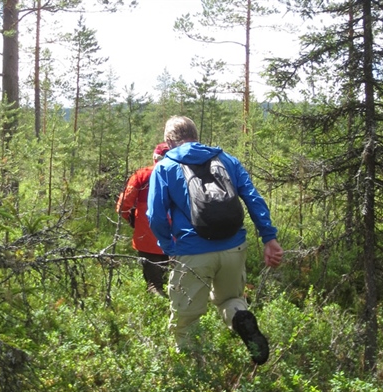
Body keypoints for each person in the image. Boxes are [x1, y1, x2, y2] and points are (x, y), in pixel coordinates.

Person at [147, 116, 283, 365]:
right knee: (230, 300)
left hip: (192, 252)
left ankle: (190, 374)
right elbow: (253, 198)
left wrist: (169, 247)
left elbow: (155, 216)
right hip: (233, 248)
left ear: (168, 142)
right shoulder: (227, 159)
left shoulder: (165, 167)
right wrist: (269, 238)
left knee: (185, 318)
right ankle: (240, 318)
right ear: (196, 135)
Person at [116, 142, 171, 296]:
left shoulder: (141, 175)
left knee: (154, 284)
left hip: (147, 236)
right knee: (174, 280)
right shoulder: (180, 174)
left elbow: (123, 205)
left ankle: (158, 301)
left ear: (155, 157)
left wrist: (132, 220)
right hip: (175, 236)